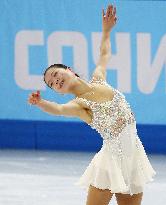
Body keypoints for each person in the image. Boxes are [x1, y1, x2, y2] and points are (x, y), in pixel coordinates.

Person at [28, 4, 156, 205]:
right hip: (110, 164)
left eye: (55, 74)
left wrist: (106, 30)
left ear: (69, 70)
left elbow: (104, 53)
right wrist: (41, 102)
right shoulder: (79, 105)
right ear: (58, 91)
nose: (56, 81)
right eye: (52, 84)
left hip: (134, 159)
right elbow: (59, 110)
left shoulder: (99, 79)